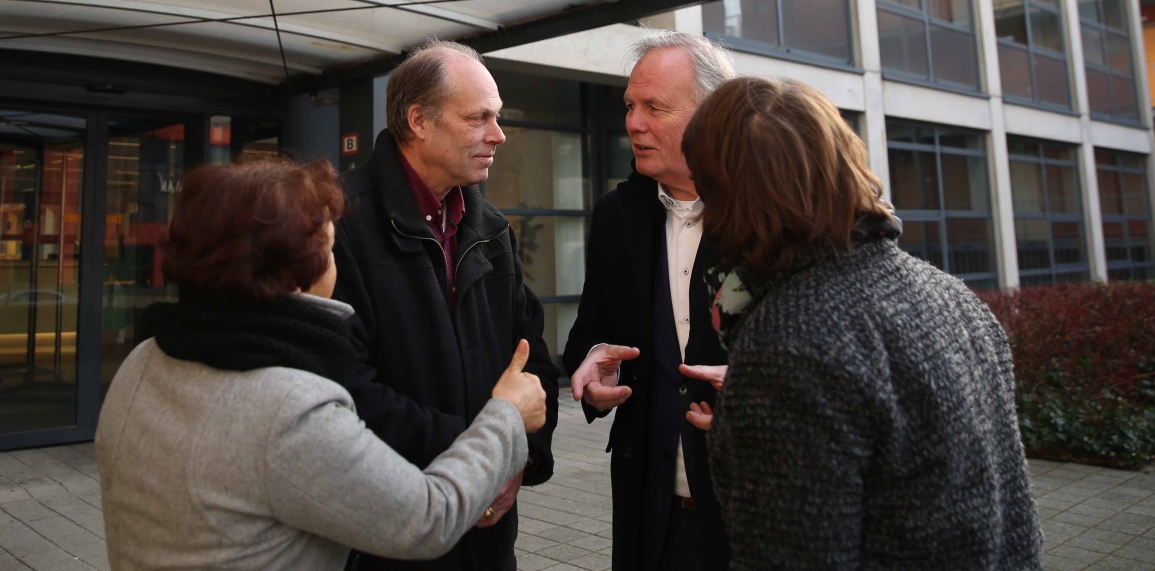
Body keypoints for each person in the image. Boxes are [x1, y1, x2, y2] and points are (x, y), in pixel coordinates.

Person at [95, 157, 548, 571]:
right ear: (297, 270)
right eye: (330, 249)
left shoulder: (142, 362)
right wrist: (505, 416)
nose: (337, 264)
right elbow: (427, 517)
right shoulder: (289, 407)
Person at [681, 77, 1044, 570]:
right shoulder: (954, 297)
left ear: (732, 199)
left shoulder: (789, 347)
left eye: (704, 192)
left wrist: (764, 407)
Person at [333, 40, 559, 571]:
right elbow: (345, 390)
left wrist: (515, 465)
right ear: (418, 121)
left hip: (489, 542)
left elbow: (534, 365)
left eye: (497, 117)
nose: (498, 135)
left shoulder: (492, 231)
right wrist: (483, 457)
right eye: (478, 118)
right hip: (392, 534)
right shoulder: (342, 227)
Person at [562, 30, 734, 571]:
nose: (634, 123)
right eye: (631, 106)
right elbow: (590, 334)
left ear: (712, 114)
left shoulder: (768, 212)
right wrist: (591, 373)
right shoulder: (619, 214)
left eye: (655, 107)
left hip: (752, 506)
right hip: (651, 510)